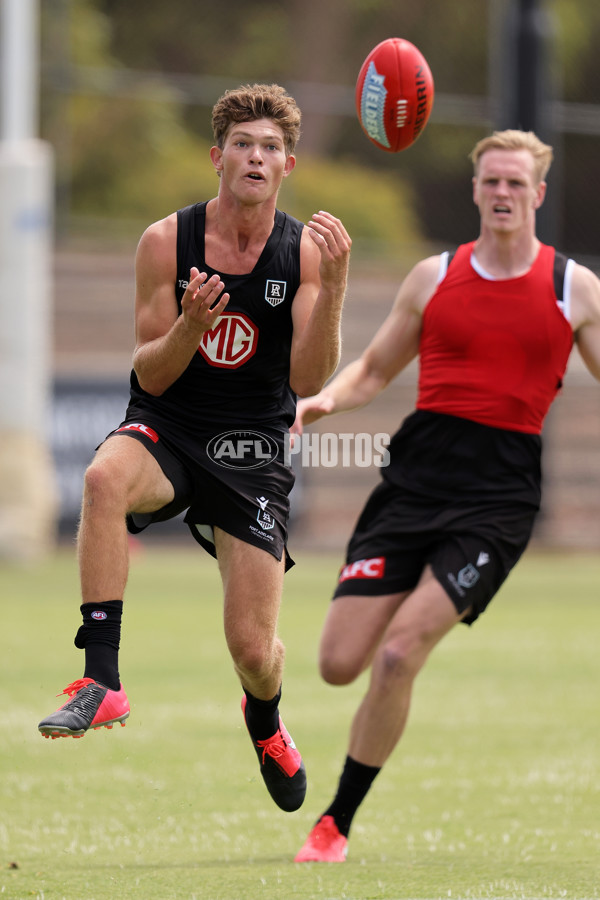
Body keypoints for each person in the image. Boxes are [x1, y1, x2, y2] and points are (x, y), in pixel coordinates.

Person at [38, 83, 351, 815]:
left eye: (270, 147)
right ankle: (101, 680)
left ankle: (266, 721)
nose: (256, 156)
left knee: (254, 652)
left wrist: (333, 288)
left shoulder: (302, 251)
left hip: (252, 450)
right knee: (101, 479)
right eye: (243, 143)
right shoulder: (164, 242)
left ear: (288, 166)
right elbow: (148, 369)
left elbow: (307, 377)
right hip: (170, 428)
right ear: (217, 158)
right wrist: (190, 325)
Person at [292, 129, 600, 860]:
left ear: (537, 195)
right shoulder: (434, 277)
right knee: (339, 664)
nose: (502, 194)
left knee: (400, 655)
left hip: (498, 498)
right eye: (492, 181)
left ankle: (335, 823)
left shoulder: (574, 288)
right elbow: (372, 368)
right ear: (475, 190)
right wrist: (320, 405)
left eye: (516, 184)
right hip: (415, 479)